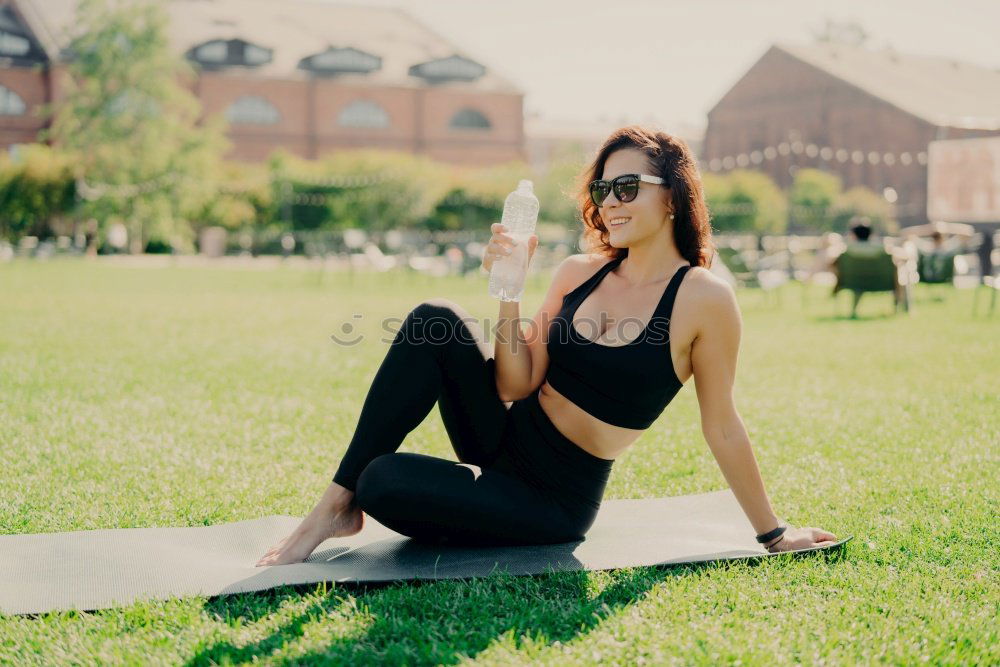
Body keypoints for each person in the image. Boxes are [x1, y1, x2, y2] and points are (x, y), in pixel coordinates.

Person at [256, 126, 838, 566]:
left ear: (673, 198)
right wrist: (510, 287)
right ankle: (334, 506)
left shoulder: (703, 299)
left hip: (553, 499)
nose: (610, 201)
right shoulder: (579, 271)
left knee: (385, 479)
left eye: (627, 187)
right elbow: (513, 384)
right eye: (603, 188)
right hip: (503, 437)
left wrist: (772, 533)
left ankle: (361, 495)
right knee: (434, 319)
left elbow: (723, 425)